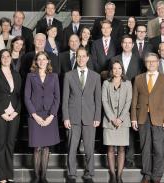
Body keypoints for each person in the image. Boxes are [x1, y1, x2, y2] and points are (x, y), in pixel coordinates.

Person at [131, 52, 164, 183]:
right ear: (145, 63)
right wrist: (133, 118)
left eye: (153, 61)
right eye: (148, 61)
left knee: (159, 147)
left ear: (158, 62)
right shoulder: (138, 78)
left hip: (160, 118)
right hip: (142, 117)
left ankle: (157, 175)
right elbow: (134, 100)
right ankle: (147, 174)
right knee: (145, 147)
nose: (151, 63)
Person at [62, 47, 101, 183]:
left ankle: (89, 173)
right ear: (76, 57)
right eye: (78, 56)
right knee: (72, 147)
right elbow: (65, 99)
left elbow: (98, 99)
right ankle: (71, 174)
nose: (81, 59)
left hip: (90, 118)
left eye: (83, 56)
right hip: (73, 117)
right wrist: (66, 117)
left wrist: (97, 117)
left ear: (88, 58)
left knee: (89, 148)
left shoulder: (96, 76)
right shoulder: (68, 75)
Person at [24, 51, 60, 183]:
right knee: (37, 147)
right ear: (36, 62)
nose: (41, 61)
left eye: (44, 59)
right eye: (39, 59)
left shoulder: (54, 76)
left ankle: (44, 176)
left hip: (50, 115)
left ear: (48, 61)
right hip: (35, 115)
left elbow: (57, 98)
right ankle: (36, 177)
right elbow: (26, 97)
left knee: (46, 147)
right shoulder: (30, 76)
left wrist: (51, 116)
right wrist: (34, 115)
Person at [0, 49, 21, 183]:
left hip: (14, 115)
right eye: (3, 57)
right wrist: (2, 113)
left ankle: (9, 174)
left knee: (10, 144)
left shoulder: (17, 74)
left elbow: (19, 96)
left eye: (8, 56)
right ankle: (1, 176)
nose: (6, 58)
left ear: (11, 59)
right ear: (0, 59)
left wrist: (16, 111)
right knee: (0, 144)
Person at [111, 35, 142, 168]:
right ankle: (116, 157)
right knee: (115, 126)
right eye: (125, 42)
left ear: (133, 45)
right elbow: (110, 78)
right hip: (116, 99)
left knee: (129, 129)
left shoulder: (139, 60)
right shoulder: (114, 59)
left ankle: (129, 158)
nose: (127, 45)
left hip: (133, 97)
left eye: (130, 43)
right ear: (122, 44)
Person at [102, 60, 132, 183]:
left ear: (122, 70)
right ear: (111, 70)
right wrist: (113, 118)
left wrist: (120, 118)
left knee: (121, 149)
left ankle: (119, 175)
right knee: (110, 149)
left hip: (123, 122)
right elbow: (104, 101)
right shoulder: (105, 83)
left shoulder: (128, 84)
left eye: (119, 68)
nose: (117, 71)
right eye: (114, 68)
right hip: (109, 122)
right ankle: (113, 175)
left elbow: (128, 102)